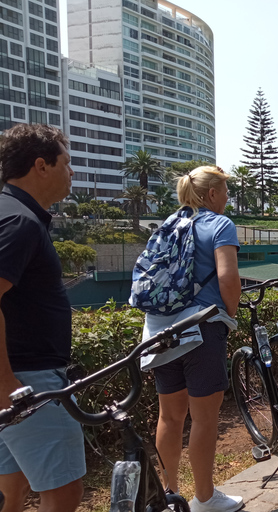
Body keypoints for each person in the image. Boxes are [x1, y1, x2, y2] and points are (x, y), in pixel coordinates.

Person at [0, 124, 85, 512]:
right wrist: (6, 385)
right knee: (63, 490)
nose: (72, 173)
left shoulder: (12, 212)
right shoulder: (20, 222)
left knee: (9, 491)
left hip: (19, 378)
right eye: (66, 163)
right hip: (27, 382)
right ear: (41, 166)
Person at [151, 166, 243, 512]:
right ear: (212, 194)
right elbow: (228, 280)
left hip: (160, 331)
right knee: (204, 417)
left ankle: (168, 496)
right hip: (201, 329)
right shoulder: (220, 225)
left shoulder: (169, 224)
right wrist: (230, 315)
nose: (228, 198)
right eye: (225, 191)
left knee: (169, 417)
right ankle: (204, 498)